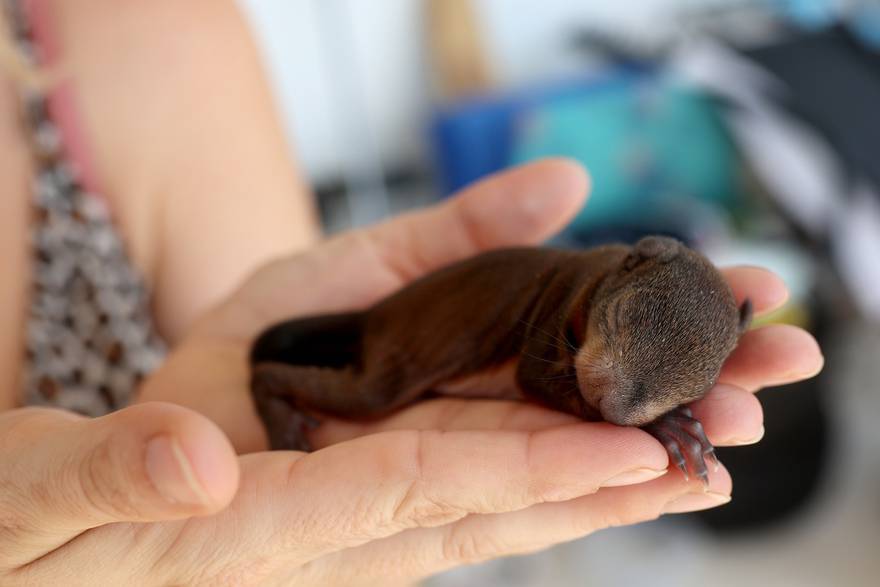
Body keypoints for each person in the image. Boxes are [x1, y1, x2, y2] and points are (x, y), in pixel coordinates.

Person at [0, 0, 824, 584]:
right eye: (607, 355)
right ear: (628, 269)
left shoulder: (140, 37)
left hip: (406, 322)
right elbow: (547, 379)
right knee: (370, 390)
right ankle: (278, 384)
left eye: (647, 399)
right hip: (420, 333)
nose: (611, 397)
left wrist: (657, 408)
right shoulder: (572, 303)